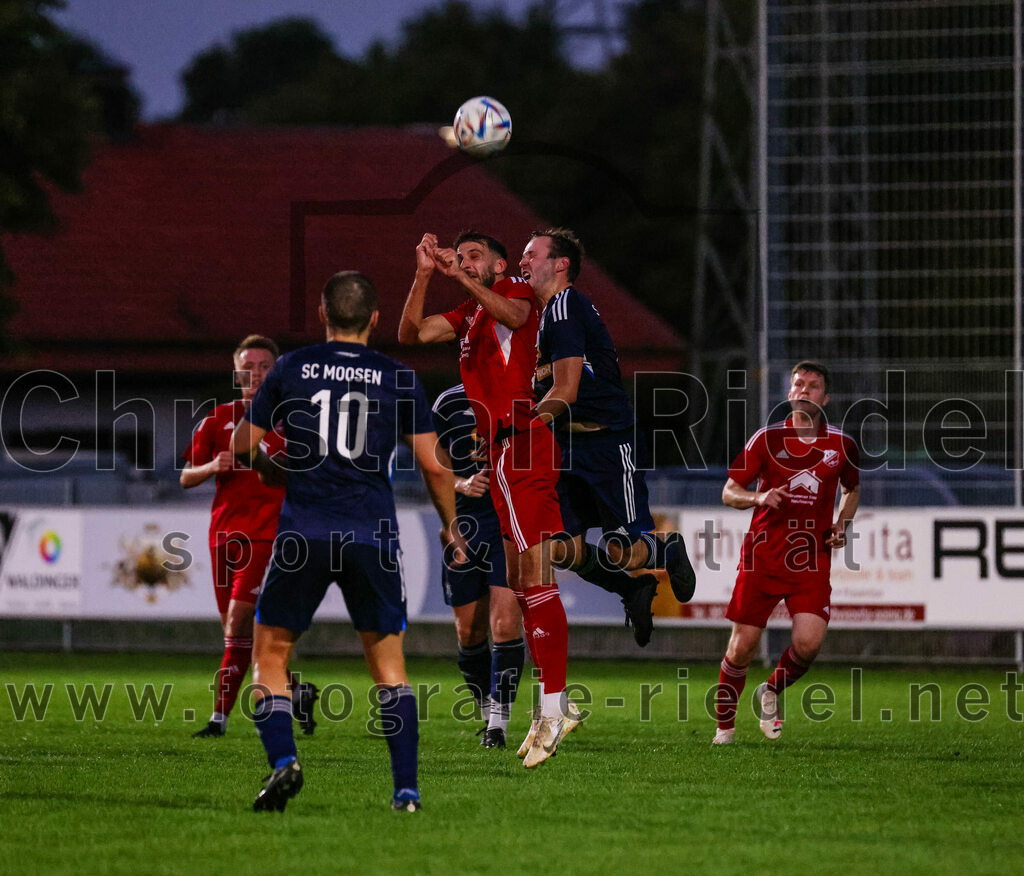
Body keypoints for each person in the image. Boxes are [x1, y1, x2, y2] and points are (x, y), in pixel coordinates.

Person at [231, 271, 466, 812]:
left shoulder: (292, 367)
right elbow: (434, 466)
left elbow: (243, 444)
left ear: (323, 314)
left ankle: (284, 760)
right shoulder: (398, 377)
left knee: (271, 654)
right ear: (376, 319)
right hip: (371, 533)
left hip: (304, 532)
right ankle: (406, 792)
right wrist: (452, 526)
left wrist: (269, 467)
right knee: (389, 668)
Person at [398, 230, 576, 768]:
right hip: (500, 453)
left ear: (499, 265)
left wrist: (461, 276)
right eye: (460, 256)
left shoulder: (514, 291)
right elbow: (411, 333)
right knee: (524, 583)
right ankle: (551, 707)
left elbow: (518, 318)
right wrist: (424, 274)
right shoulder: (470, 314)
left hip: (522, 445)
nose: (465, 262)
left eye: (475, 256)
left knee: (535, 580)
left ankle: (554, 707)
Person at [520, 228, 698, 622]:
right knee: (559, 549)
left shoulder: (565, 307)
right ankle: (631, 589)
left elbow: (565, 391)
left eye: (532, 254)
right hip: (567, 446)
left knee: (624, 552)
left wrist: (519, 430)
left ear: (561, 264)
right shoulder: (546, 316)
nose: (523, 261)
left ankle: (667, 549)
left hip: (607, 443)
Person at [712, 361, 860, 744]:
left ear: (825, 398)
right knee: (742, 647)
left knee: (808, 644)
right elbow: (729, 492)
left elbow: (852, 488)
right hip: (763, 555)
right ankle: (724, 729)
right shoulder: (766, 439)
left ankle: (771, 690)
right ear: (789, 392)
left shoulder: (842, 445)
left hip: (810, 559)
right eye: (798, 384)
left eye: (813, 385)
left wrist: (842, 523)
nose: (804, 389)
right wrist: (759, 496)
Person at [180, 335, 318, 739]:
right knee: (239, 633)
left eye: (263, 366)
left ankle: (218, 720)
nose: (254, 373)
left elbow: (315, 476)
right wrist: (211, 467)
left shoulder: (293, 422)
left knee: (238, 625)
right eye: (247, 367)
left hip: (269, 537)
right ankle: (295, 692)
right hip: (223, 537)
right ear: (236, 372)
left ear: (275, 372)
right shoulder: (218, 418)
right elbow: (185, 476)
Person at [432, 383, 525, 750]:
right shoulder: (447, 403)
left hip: (509, 526)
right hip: (464, 529)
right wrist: (461, 483)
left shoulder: (522, 393)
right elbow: (433, 468)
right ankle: (488, 714)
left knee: (504, 626)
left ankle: (498, 727)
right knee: (468, 633)